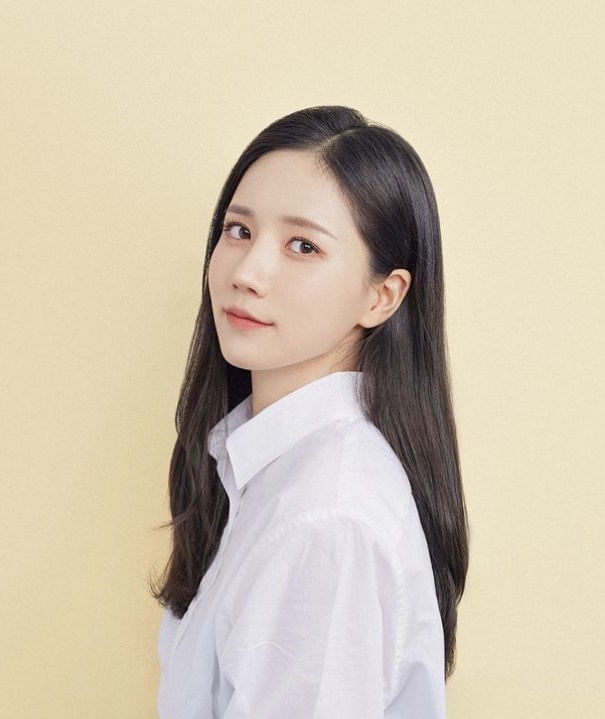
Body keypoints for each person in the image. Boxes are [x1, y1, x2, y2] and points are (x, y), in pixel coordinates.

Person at [153, 105, 469, 719]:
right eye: (238, 230)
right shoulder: (265, 468)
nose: (248, 273)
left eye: (303, 245)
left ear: (382, 296)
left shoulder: (324, 519)